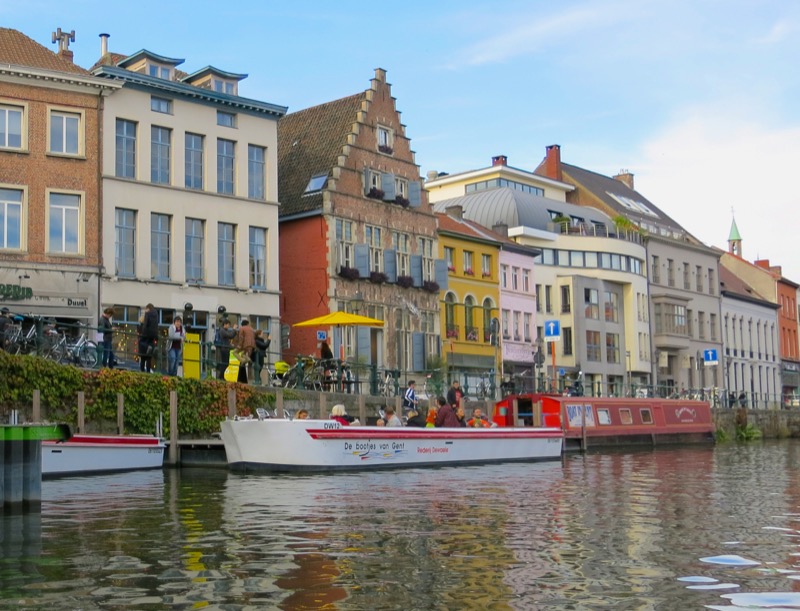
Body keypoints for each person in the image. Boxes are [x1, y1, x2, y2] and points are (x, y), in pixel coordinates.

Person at [233, 319, 256, 384]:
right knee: (243, 354)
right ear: (247, 324)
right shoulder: (251, 329)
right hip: (252, 345)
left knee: (234, 352)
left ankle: (243, 360)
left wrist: (239, 346)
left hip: (245, 345)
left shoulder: (242, 328)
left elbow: (241, 337)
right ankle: (245, 359)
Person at [139, 303, 158, 373]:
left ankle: (142, 371)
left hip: (145, 338)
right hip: (152, 337)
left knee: (143, 357)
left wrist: (143, 333)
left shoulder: (147, 315)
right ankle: (148, 371)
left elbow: (144, 328)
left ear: (148, 309)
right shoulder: (156, 315)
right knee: (149, 358)